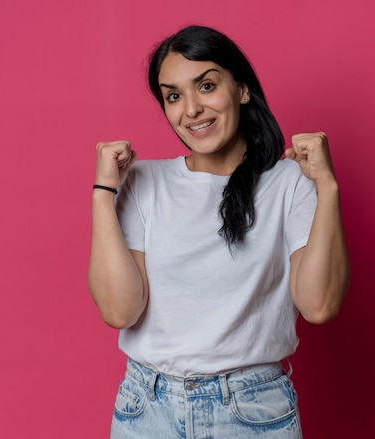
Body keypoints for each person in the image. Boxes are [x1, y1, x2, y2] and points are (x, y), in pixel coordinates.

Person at [88, 25, 350, 438]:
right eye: (174, 96)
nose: (191, 109)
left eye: (206, 85)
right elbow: (120, 311)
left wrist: (328, 186)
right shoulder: (142, 182)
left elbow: (319, 305)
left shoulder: (290, 183)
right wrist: (104, 193)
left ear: (241, 89)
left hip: (253, 411)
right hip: (147, 410)